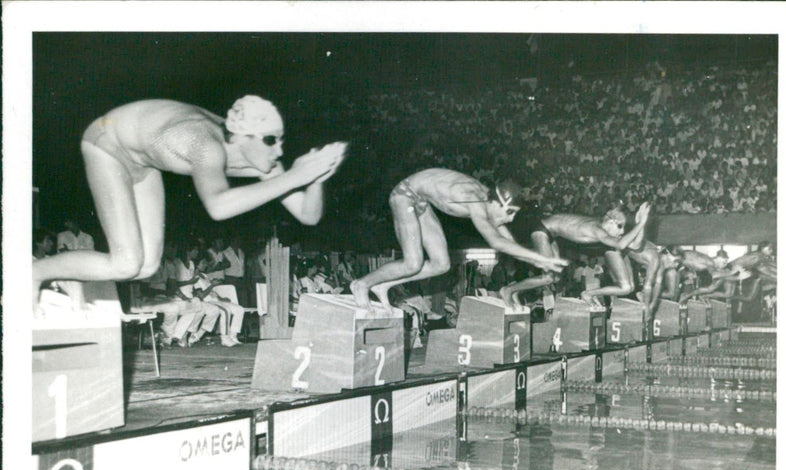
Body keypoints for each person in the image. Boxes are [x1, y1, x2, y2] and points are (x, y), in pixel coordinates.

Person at [32, 95, 347, 311]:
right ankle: (32, 273)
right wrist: (295, 177)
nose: (278, 150)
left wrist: (316, 177)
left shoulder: (261, 156)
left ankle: (64, 274)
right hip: (107, 143)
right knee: (125, 261)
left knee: (147, 267)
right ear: (241, 136)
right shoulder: (205, 143)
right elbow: (218, 206)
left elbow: (307, 215)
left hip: (144, 161)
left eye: (279, 139)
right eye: (270, 140)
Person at [349, 169, 567, 312]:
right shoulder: (477, 203)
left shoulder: (490, 201)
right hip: (404, 195)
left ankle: (384, 285)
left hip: (422, 202)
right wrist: (536, 257)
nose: (510, 219)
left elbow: (506, 238)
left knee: (441, 264)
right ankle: (361, 284)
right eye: (510, 213)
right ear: (498, 203)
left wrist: (536, 260)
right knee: (412, 263)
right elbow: (496, 242)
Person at [497, 201, 651, 309]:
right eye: (620, 227)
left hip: (552, 232)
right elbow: (621, 244)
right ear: (610, 222)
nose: (622, 231)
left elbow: (632, 244)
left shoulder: (602, 226)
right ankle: (508, 290)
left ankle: (515, 290)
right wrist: (641, 223)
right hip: (541, 229)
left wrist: (639, 225)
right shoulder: (597, 230)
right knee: (548, 277)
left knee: (554, 277)